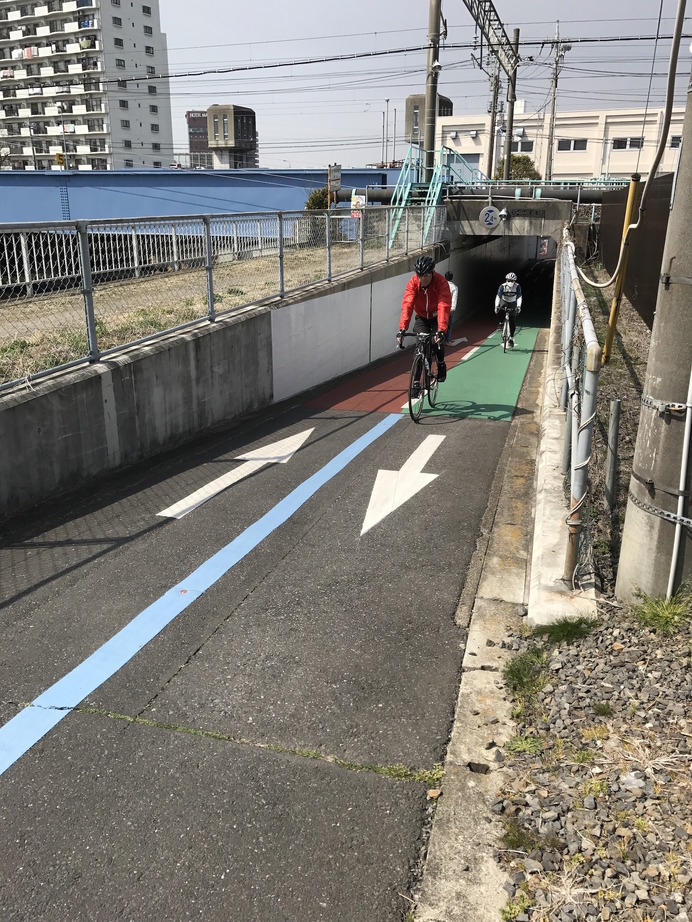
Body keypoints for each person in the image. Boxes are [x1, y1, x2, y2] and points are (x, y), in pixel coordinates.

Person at [397, 254, 451, 382]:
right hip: (421, 317)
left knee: (436, 342)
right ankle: (416, 381)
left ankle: (441, 364)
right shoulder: (413, 283)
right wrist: (402, 329)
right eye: (419, 275)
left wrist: (441, 330)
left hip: (437, 317)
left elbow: (443, 306)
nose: (422, 279)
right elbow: (408, 305)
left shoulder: (441, 282)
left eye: (426, 275)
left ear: (433, 273)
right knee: (419, 347)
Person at [494, 271, 523, 348]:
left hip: (513, 302)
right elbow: (498, 297)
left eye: (512, 281)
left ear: (514, 281)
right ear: (506, 280)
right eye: (508, 280)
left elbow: (519, 297)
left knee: (512, 319)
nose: (510, 282)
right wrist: (496, 306)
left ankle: (511, 338)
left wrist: (519, 306)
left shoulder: (517, 286)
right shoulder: (502, 286)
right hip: (504, 301)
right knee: (499, 310)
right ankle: (501, 322)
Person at [444, 270, 459, 344]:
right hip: (449, 307)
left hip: (440, 307)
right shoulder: (454, 287)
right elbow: (454, 298)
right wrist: (453, 307)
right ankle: (447, 340)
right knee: (448, 324)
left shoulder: (441, 285)